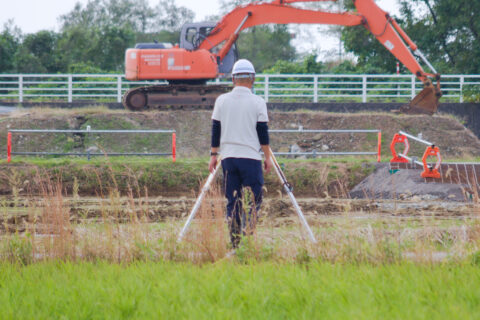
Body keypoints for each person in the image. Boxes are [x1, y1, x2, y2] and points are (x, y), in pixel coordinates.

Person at [209, 59, 273, 249]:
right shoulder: (258, 102)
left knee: (233, 201)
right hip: (251, 158)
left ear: (233, 79)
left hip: (228, 158)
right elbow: (262, 132)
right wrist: (267, 157)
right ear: (252, 79)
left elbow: (215, 129)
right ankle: (248, 236)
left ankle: (235, 241)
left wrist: (213, 154)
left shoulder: (222, 100)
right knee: (254, 199)